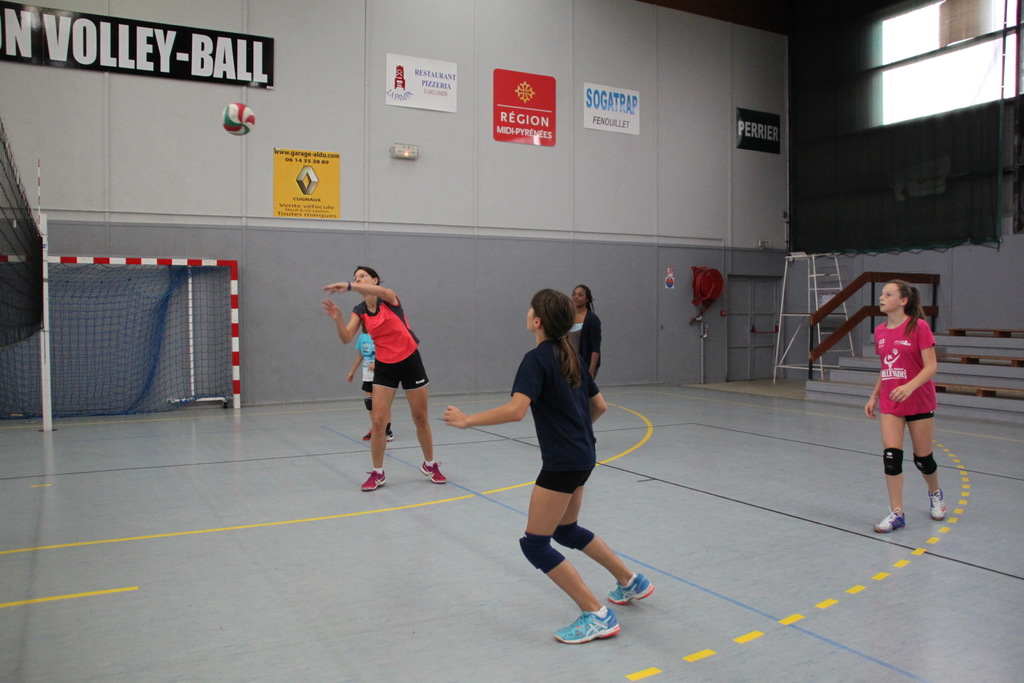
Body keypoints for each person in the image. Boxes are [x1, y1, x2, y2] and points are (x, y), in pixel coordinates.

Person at [443, 289, 652, 644]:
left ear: (537, 321)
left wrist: (467, 420)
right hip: (584, 455)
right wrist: (574, 434)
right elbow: (600, 406)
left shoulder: (536, 359)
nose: (527, 312)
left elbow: (516, 411)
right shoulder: (570, 355)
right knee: (567, 531)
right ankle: (630, 581)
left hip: (563, 463)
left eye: (530, 309)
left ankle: (596, 614)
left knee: (535, 545)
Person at [323, 266, 445, 491]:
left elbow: (381, 292)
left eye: (362, 276)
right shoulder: (360, 310)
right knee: (379, 422)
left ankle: (430, 465)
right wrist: (338, 319)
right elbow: (346, 337)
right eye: (355, 277)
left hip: (410, 361)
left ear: (375, 279)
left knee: (420, 418)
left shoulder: (389, 298)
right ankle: (378, 473)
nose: (358, 279)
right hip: (385, 365)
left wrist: (348, 286)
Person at [864, 279, 944, 533]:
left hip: (919, 400)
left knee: (923, 459)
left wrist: (909, 387)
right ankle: (897, 513)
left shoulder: (918, 327)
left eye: (888, 294)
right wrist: (874, 396)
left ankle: (935, 493)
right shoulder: (880, 331)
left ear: (903, 300)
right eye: (882, 294)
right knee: (891, 457)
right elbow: (886, 368)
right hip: (891, 402)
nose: (882, 297)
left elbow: (931, 367)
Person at [346, 325, 393, 443]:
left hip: (381, 374)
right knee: (369, 403)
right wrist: (352, 371)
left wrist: (377, 364)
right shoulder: (362, 338)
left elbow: (388, 353)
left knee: (383, 404)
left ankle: (387, 431)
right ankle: (376, 428)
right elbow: (360, 356)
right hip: (368, 375)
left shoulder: (381, 336)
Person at [569, 284, 602, 378]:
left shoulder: (592, 319)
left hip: (585, 363)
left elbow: (595, 347)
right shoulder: (567, 316)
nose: (576, 297)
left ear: (587, 299)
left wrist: (591, 370)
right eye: (574, 294)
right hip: (569, 362)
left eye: (580, 295)